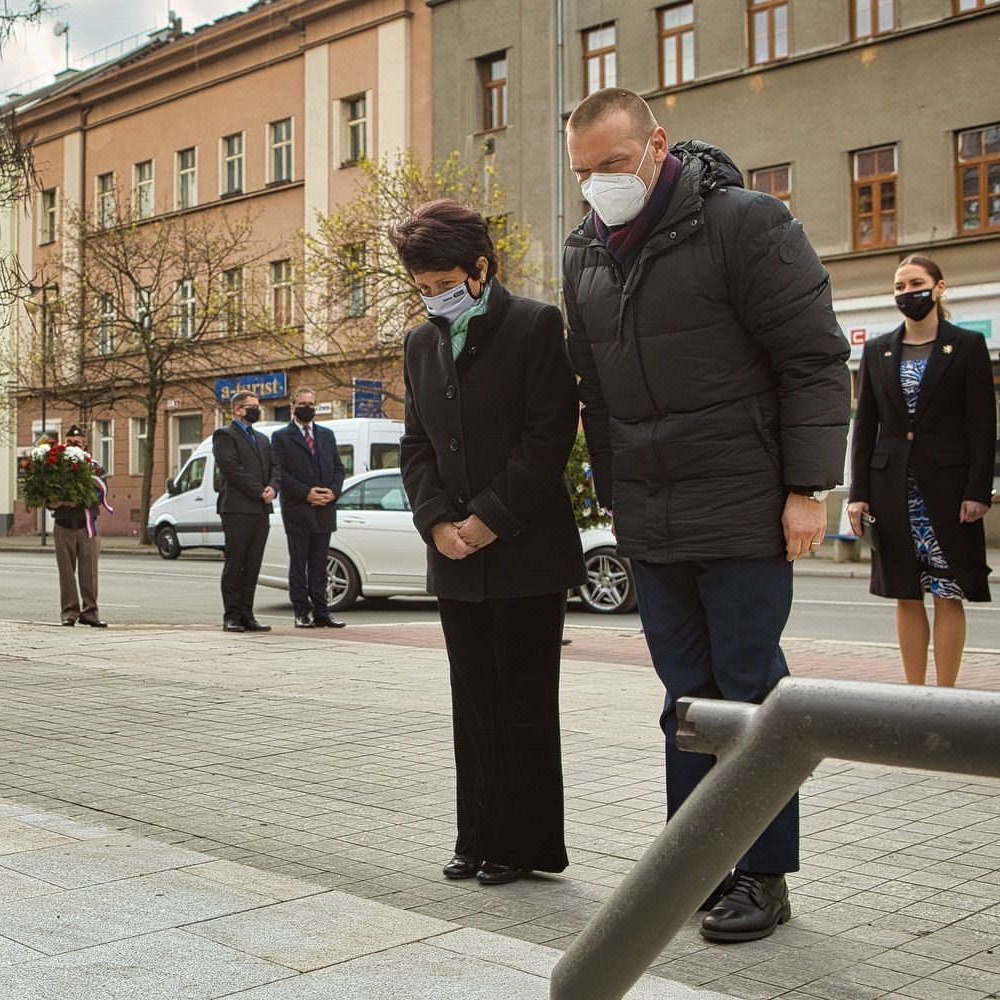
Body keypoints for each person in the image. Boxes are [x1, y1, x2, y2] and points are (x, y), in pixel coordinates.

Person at [563, 88, 851, 942]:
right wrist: (613, 489)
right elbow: (597, 393)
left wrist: (807, 489)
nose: (600, 185)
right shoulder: (585, 253)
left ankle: (763, 875)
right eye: (585, 174)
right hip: (651, 516)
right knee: (685, 697)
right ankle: (696, 863)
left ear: (657, 146)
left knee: (749, 690)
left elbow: (812, 359)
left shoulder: (746, 224)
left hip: (744, 504)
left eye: (613, 165)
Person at [389, 198, 585, 888]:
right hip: (456, 558)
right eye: (423, 288)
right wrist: (438, 521)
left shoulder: (535, 325)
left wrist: (490, 518)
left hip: (524, 551)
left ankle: (522, 844)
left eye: (444, 283)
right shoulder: (419, 343)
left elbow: (548, 435)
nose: (435, 297)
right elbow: (415, 446)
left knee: (524, 703)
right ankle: (474, 836)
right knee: (471, 700)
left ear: (480, 268)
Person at [848, 256, 994, 686]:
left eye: (915, 283)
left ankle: (945, 697)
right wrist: (858, 493)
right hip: (892, 491)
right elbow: (866, 426)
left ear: (939, 288)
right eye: (899, 286)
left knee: (949, 593)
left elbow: (982, 425)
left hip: (950, 495)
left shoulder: (966, 346)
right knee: (905, 594)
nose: (906, 292)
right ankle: (914, 697)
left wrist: (978, 491)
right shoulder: (877, 349)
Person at [271, 387, 346, 628]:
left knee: (319, 566)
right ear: (292, 406)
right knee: (299, 564)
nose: (308, 408)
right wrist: (306, 494)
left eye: (312, 404)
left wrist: (333, 492)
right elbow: (280, 472)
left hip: (325, 509)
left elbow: (338, 468)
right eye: (303, 403)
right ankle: (301, 612)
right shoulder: (281, 437)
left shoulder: (326, 435)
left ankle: (322, 613)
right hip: (298, 511)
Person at [213, 392, 275, 632]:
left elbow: (275, 467)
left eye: (257, 407)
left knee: (252, 564)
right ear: (238, 409)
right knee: (235, 563)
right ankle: (231, 615)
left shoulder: (262, 439)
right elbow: (231, 468)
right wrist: (259, 490)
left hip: (261, 509)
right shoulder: (224, 435)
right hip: (237, 509)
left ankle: (248, 615)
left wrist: (272, 487)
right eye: (251, 407)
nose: (256, 411)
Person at [49, 424, 109, 628]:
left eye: (78, 442)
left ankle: (90, 612)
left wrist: (81, 501)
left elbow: (101, 493)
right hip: (63, 525)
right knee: (66, 572)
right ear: (64, 443)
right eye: (70, 442)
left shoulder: (93, 467)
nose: (73, 445)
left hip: (86, 526)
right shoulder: (56, 466)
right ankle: (69, 612)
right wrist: (53, 501)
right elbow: (45, 490)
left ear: (84, 444)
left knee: (89, 572)